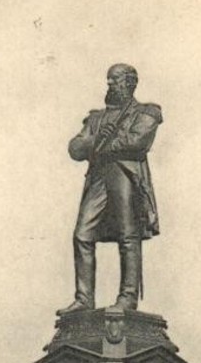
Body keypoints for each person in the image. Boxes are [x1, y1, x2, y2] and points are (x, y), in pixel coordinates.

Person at [58, 64, 162, 315]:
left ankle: (127, 297)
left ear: (130, 83)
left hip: (125, 176)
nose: (110, 84)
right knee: (82, 234)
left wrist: (100, 147)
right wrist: (95, 140)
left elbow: (138, 142)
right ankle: (84, 299)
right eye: (108, 80)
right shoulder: (96, 118)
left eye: (115, 80)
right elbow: (75, 148)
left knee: (128, 235)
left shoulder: (147, 112)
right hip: (98, 178)